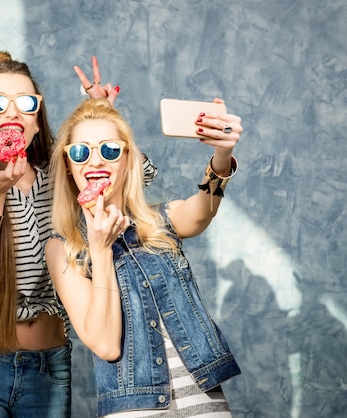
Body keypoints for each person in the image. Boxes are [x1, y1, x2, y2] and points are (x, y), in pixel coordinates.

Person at [0, 52, 157, 417]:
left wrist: (102, 125)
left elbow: (139, 174)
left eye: (25, 103)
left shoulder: (62, 175)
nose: (11, 113)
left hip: (48, 368)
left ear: (37, 122)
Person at [46, 98, 243, 417]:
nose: (95, 162)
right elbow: (106, 345)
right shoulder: (63, 248)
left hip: (202, 399)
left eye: (109, 150)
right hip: (134, 408)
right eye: (81, 152)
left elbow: (203, 210)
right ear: (69, 168)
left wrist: (222, 157)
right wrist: (100, 249)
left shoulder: (161, 220)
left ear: (127, 160)